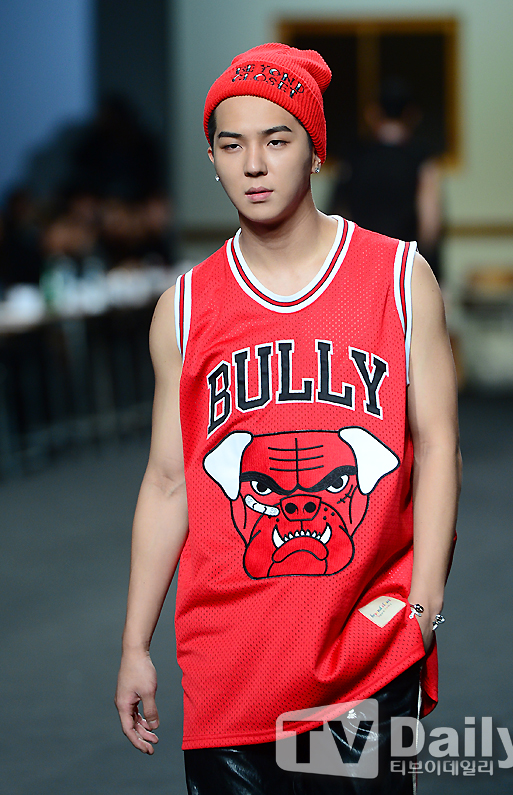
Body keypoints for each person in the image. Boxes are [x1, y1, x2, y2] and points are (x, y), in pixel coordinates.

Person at [115, 43, 461, 793]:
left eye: (276, 140)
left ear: (314, 150)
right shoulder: (185, 309)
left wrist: (424, 605)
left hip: (365, 653)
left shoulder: (399, 278)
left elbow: (437, 447)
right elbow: (169, 482)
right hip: (228, 665)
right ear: (212, 159)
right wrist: (135, 642)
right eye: (231, 145)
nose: (254, 164)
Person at [332, 77, 443, 281]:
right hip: (406, 265)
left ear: (373, 113)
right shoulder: (420, 155)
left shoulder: (355, 154)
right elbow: (430, 223)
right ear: (412, 114)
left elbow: (339, 214)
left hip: (361, 265)